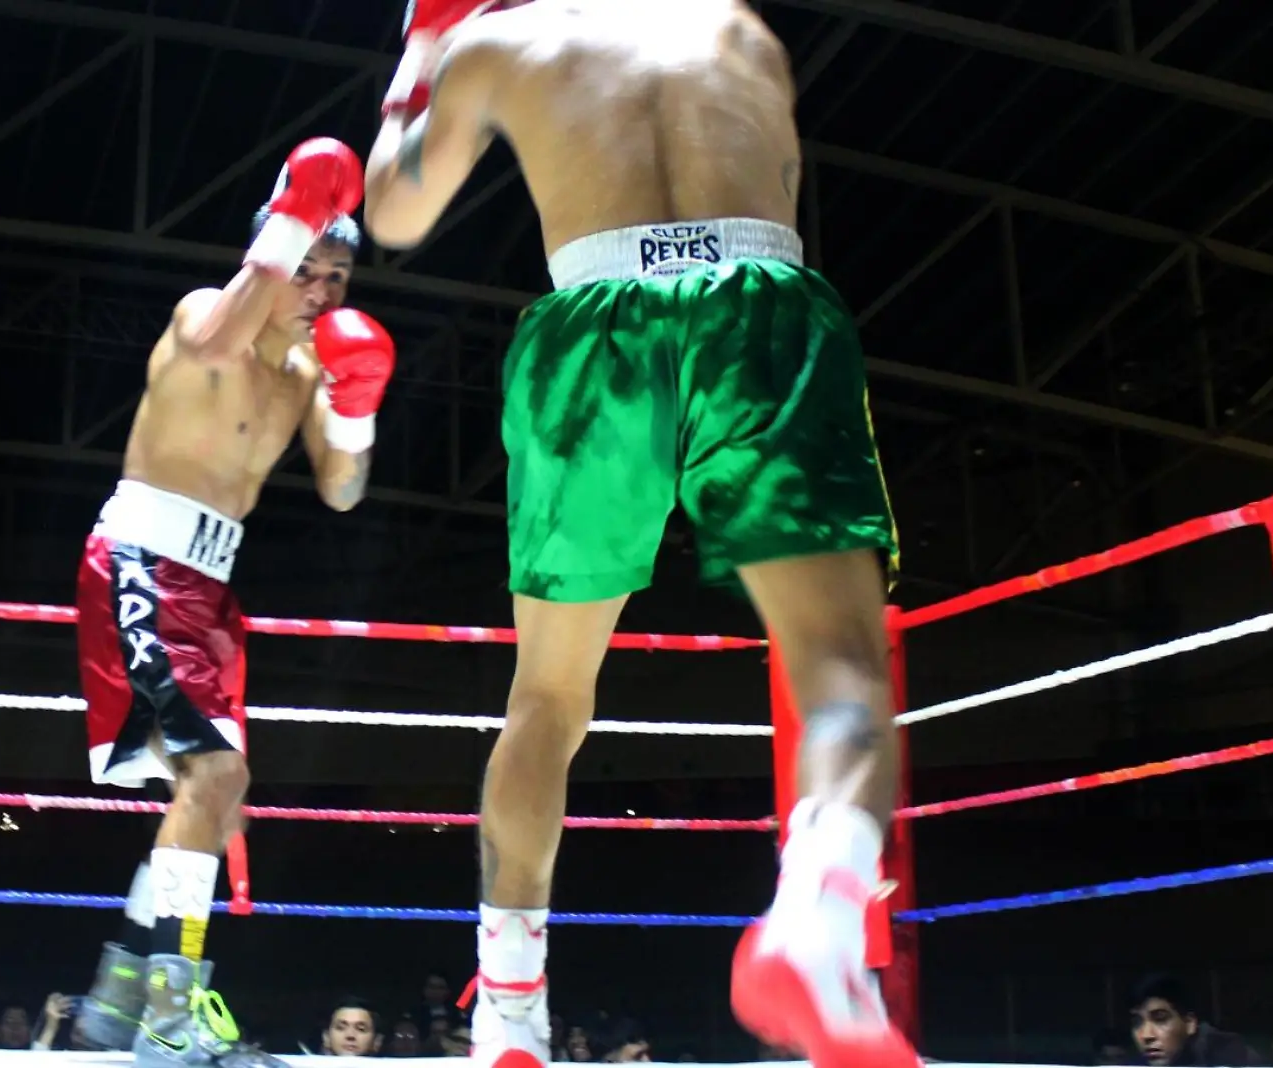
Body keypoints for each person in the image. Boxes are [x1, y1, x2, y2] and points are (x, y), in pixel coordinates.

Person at [361, 4, 909, 1068]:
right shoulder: (744, 35)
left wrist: (417, 62)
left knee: (548, 699)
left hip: (592, 324)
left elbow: (391, 213)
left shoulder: (495, 45)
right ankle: (818, 918)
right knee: (839, 665)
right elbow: (777, 194)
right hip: (757, 303)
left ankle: (509, 1016)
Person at [69, 135, 399, 1068]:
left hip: (211, 590)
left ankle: (114, 998)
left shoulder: (306, 373)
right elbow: (221, 329)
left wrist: (360, 397)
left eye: (336, 276)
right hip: (142, 555)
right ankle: (169, 1016)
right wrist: (292, 215)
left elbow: (341, 489)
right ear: (273, 257)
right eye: (305, 269)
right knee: (211, 779)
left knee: (218, 794)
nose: (321, 291)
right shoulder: (204, 317)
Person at [1126, 974, 1260, 1067]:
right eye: (1137, 1022)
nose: (1146, 1035)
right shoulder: (1132, 1064)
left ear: (1190, 1023)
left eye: (1160, 1019)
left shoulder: (1231, 1055)